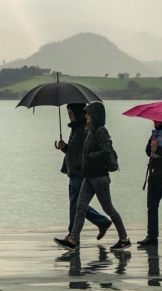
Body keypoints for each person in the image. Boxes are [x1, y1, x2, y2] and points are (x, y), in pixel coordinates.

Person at [54, 102, 130, 251]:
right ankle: (72, 240)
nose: (86, 116)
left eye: (88, 113)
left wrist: (89, 157)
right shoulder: (89, 130)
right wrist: (68, 150)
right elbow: (80, 151)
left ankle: (124, 238)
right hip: (88, 176)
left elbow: (106, 151)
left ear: (94, 115)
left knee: (109, 209)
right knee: (80, 208)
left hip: (99, 177)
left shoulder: (101, 131)